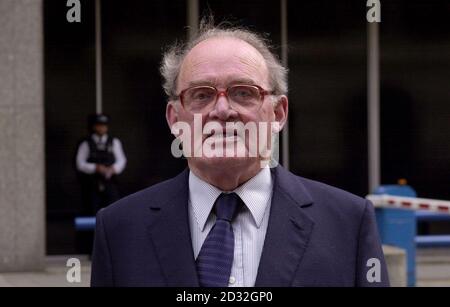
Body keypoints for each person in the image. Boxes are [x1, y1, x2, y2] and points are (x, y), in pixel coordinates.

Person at [91, 19, 389, 287]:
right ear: (174, 119)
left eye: (243, 92)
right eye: (202, 95)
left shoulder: (348, 224)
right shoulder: (119, 230)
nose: (222, 110)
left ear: (278, 113)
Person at [76, 113, 127, 215]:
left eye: (104, 125)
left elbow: (122, 160)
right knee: (91, 210)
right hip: (92, 184)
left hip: (110, 182)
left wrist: (113, 169)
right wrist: (95, 168)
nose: (102, 128)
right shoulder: (86, 143)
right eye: (99, 125)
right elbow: (80, 163)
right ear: (94, 127)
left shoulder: (114, 142)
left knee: (113, 208)